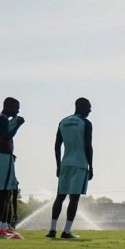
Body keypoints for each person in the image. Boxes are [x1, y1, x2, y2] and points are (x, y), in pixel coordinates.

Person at [48, 98, 94, 240]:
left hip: (65, 163)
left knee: (60, 197)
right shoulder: (86, 123)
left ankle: (52, 230)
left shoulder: (63, 122)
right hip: (80, 164)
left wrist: (58, 165)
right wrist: (91, 166)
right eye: (89, 108)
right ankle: (66, 231)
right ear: (82, 107)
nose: (90, 111)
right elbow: (88, 146)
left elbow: (57, 145)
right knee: (74, 198)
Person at [0, 97, 25, 239]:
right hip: (2, 157)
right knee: (3, 193)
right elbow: (5, 137)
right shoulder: (1, 118)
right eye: (16, 107)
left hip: (4, 157)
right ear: (8, 106)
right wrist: (17, 125)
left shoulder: (0, 118)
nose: (17, 111)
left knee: (7, 193)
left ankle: (3, 226)